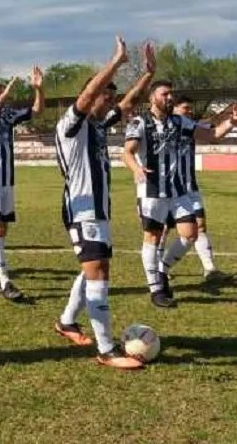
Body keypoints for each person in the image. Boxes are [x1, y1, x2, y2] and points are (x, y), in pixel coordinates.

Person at [52, 37, 154, 370]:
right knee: (98, 275)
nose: (110, 102)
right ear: (91, 97)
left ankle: (67, 321)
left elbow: (128, 104)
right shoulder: (71, 124)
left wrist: (148, 76)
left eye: (110, 97)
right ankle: (106, 348)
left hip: (100, 211)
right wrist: (117, 61)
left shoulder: (97, 126)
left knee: (96, 270)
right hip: (82, 212)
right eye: (104, 96)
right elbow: (85, 97)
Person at [123, 82, 237, 308]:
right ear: (152, 98)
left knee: (190, 234)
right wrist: (136, 168)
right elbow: (128, 153)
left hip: (178, 191)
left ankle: (161, 269)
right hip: (151, 191)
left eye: (171, 94)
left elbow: (211, 135)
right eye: (165, 94)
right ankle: (156, 290)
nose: (169, 97)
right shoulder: (139, 123)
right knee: (152, 238)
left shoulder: (180, 121)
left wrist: (231, 122)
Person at [0, 66, 44, 302]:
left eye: (3, 95)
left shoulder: (7, 116)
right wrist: (4, 97)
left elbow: (36, 111)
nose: (2, 100)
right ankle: (5, 281)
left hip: (6, 181)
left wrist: (38, 90)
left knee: (2, 230)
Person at [151, 96, 233, 285]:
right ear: (174, 108)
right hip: (167, 189)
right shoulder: (160, 128)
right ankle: (157, 269)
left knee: (199, 226)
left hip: (190, 188)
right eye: (185, 108)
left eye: (190, 109)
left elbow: (213, 134)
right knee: (163, 229)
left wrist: (231, 122)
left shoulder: (191, 127)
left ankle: (210, 269)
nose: (189, 112)